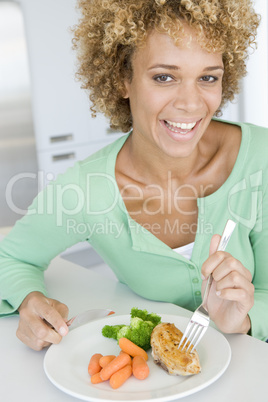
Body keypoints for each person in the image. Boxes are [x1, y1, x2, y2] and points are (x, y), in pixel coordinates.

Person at [0, 0, 266, 351]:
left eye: (207, 77)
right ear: (122, 79)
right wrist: (29, 301)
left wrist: (243, 320)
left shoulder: (259, 158)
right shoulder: (87, 191)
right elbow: (11, 257)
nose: (190, 103)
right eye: (164, 77)